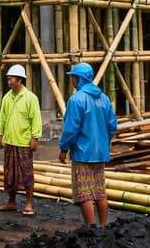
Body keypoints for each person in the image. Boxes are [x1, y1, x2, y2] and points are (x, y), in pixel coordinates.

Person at [57, 63, 118, 227]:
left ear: (78, 78)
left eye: (72, 77)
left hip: (82, 153)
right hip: (100, 154)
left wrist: (64, 148)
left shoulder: (76, 99)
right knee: (99, 192)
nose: (71, 80)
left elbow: (71, 129)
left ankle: (91, 230)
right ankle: (104, 226)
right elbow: (112, 125)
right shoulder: (104, 98)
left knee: (85, 193)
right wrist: (104, 141)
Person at [0, 64, 42, 216]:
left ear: (19, 80)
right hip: (10, 140)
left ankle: (29, 204)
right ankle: (11, 201)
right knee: (10, 174)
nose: (8, 81)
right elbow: (2, 117)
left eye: (11, 78)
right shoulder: (7, 98)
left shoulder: (30, 98)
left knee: (26, 173)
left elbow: (35, 118)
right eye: (8, 78)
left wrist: (34, 137)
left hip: (23, 141)